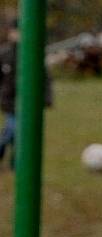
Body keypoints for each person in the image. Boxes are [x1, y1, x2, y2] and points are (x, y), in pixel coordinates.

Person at [0, 18, 52, 168]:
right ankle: (5, 153)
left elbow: (45, 78)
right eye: (16, 32)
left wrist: (47, 98)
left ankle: (15, 163)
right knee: (12, 132)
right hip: (10, 102)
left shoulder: (34, 54)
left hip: (29, 103)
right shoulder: (5, 53)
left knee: (19, 134)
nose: (18, 35)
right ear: (11, 33)